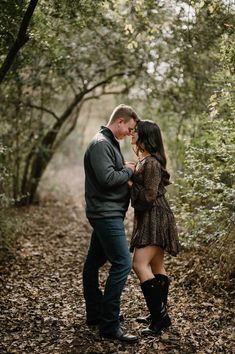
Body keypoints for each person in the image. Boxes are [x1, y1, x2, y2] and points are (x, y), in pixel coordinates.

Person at [82, 104, 139, 343]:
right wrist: (128, 170)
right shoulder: (100, 144)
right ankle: (109, 324)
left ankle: (96, 314)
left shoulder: (108, 143)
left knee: (93, 263)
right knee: (123, 263)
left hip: (109, 212)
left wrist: (122, 168)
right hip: (105, 214)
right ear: (120, 121)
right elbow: (107, 179)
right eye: (130, 128)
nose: (130, 133)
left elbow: (110, 172)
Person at [129, 120, 180, 336]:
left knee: (139, 264)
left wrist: (130, 182)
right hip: (156, 216)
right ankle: (158, 313)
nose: (132, 133)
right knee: (157, 266)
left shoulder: (150, 163)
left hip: (155, 216)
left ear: (145, 137)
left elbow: (149, 196)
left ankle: (160, 318)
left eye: (136, 131)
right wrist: (132, 170)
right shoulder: (147, 161)